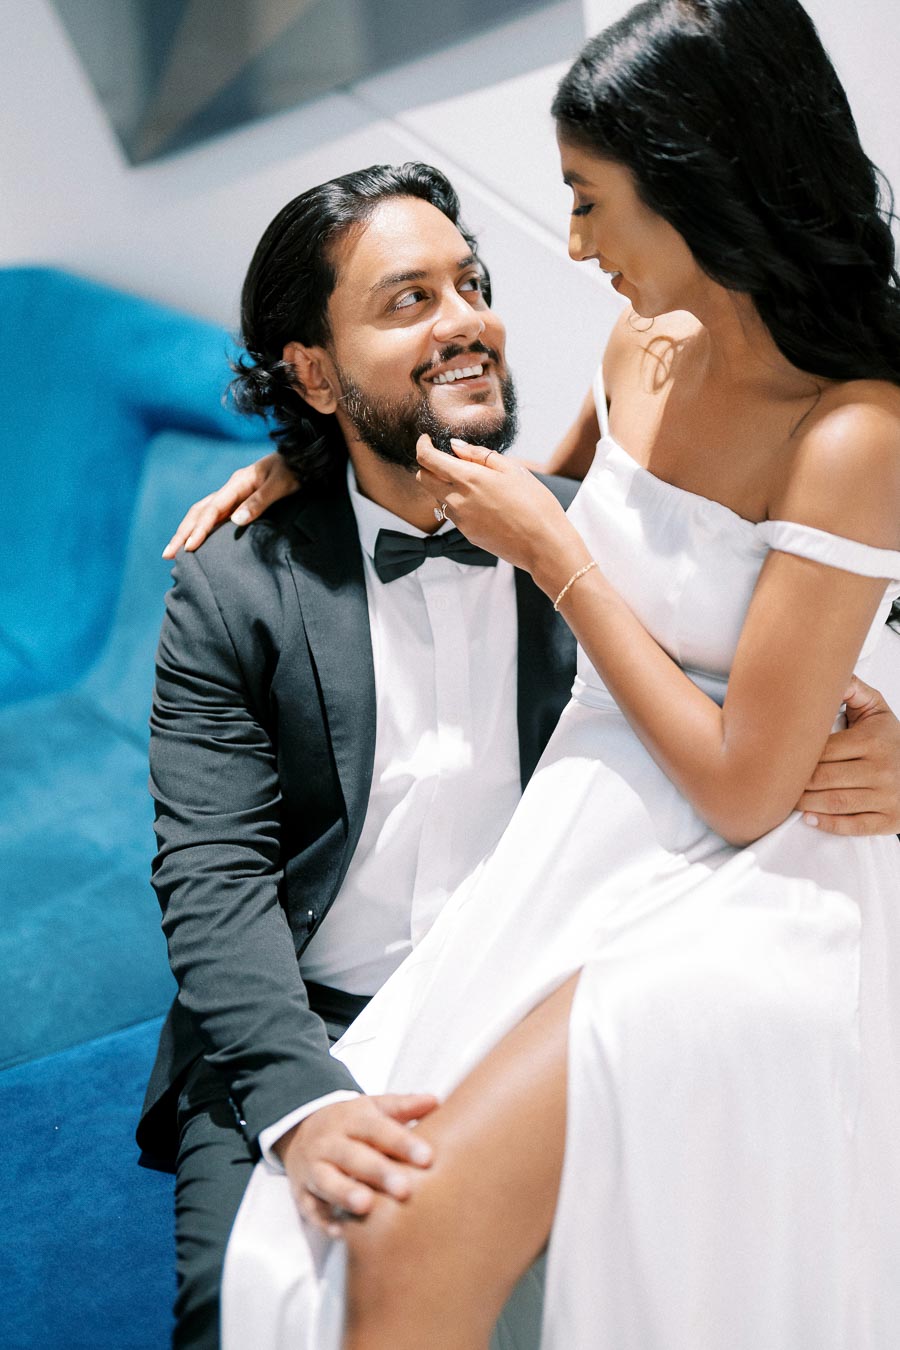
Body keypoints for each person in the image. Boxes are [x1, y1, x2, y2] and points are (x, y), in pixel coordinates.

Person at [200, 2, 900, 1348]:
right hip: (585, 840)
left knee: (420, 1223)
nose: (572, 248)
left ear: (698, 181)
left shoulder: (854, 429)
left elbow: (747, 781)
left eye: (590, 203)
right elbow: (522, 488)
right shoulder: (646, 347)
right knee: (344, 1229)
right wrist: (319, 450)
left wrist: (559, 562)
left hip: (749, 883)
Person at [137, 160, 585, 1348]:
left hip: (534, 1003)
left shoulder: (587, 543)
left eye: (472, 285)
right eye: (409, 301)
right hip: (310, 1023)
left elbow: (762, 686)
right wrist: (303, 1106)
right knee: (239, 1310)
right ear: (316, 373)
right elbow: (213, 880)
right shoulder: (234, 594)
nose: (468, 323)